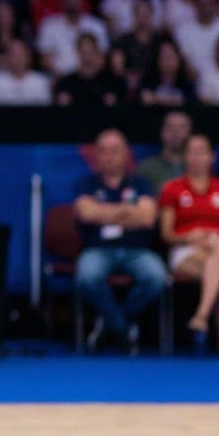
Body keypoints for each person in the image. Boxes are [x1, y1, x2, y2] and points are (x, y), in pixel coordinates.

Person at [72, 128, 169, 351]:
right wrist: (127, 211)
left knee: (156, 277)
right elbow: (85, 213)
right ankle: (122, 327)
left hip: (137, 250)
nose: (109, 156)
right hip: (98, 249)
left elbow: (146, 218)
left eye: (114, 151)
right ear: (96, 155)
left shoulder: (141, 184)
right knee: (87, 275)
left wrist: (103, 212)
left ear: (126, 154)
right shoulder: (86, 184)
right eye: (103, 151)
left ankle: (110, 323)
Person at [159, 134, 219, 359]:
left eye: (201, 152)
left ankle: (202, 314)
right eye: (191, 151)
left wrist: (214, 242)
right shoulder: (172, 189)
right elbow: (167, 234)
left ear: (212, 157)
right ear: (185, 156)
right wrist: (191, 237)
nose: (196, 157)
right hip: (187, 250)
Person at [136, 110, 191, 193]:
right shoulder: (146, 168)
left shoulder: (197, 167)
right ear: (162, 132)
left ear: (190, 133)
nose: (176, 132)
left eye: (182, 127)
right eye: (170, 127)